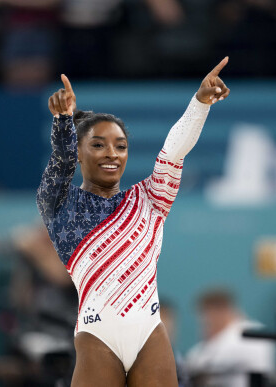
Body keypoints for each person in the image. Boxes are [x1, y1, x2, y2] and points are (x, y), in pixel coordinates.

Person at [36, 59, 230, 386]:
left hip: (148, 333)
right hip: (98, 336)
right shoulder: (59, 205)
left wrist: (199, 104)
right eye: (98, 144)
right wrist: (63, 120)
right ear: (79, 152)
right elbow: (60, 163)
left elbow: (174, 151)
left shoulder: (150, 199)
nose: (112, 153)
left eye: (120, 146)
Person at [185, 289, 276, 387]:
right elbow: (191, 361)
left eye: (206, 314)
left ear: (221, 311)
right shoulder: (212, 340)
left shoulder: (251, 330)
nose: (204, 321)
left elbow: (205, 363)